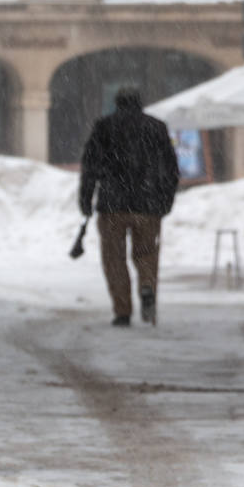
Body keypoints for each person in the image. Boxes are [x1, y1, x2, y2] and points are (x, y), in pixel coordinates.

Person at [78, 86, 179, 326]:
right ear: (139, 103)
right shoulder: (157, 127)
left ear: (117, 103)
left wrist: (86, 198)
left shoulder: (105, 127)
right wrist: (166, 200)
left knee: (114, 259)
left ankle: (122, 311)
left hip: (112, 205)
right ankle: (146, 287)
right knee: (146, 254)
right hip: (148, 204)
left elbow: (90, 165)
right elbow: (171, 169)